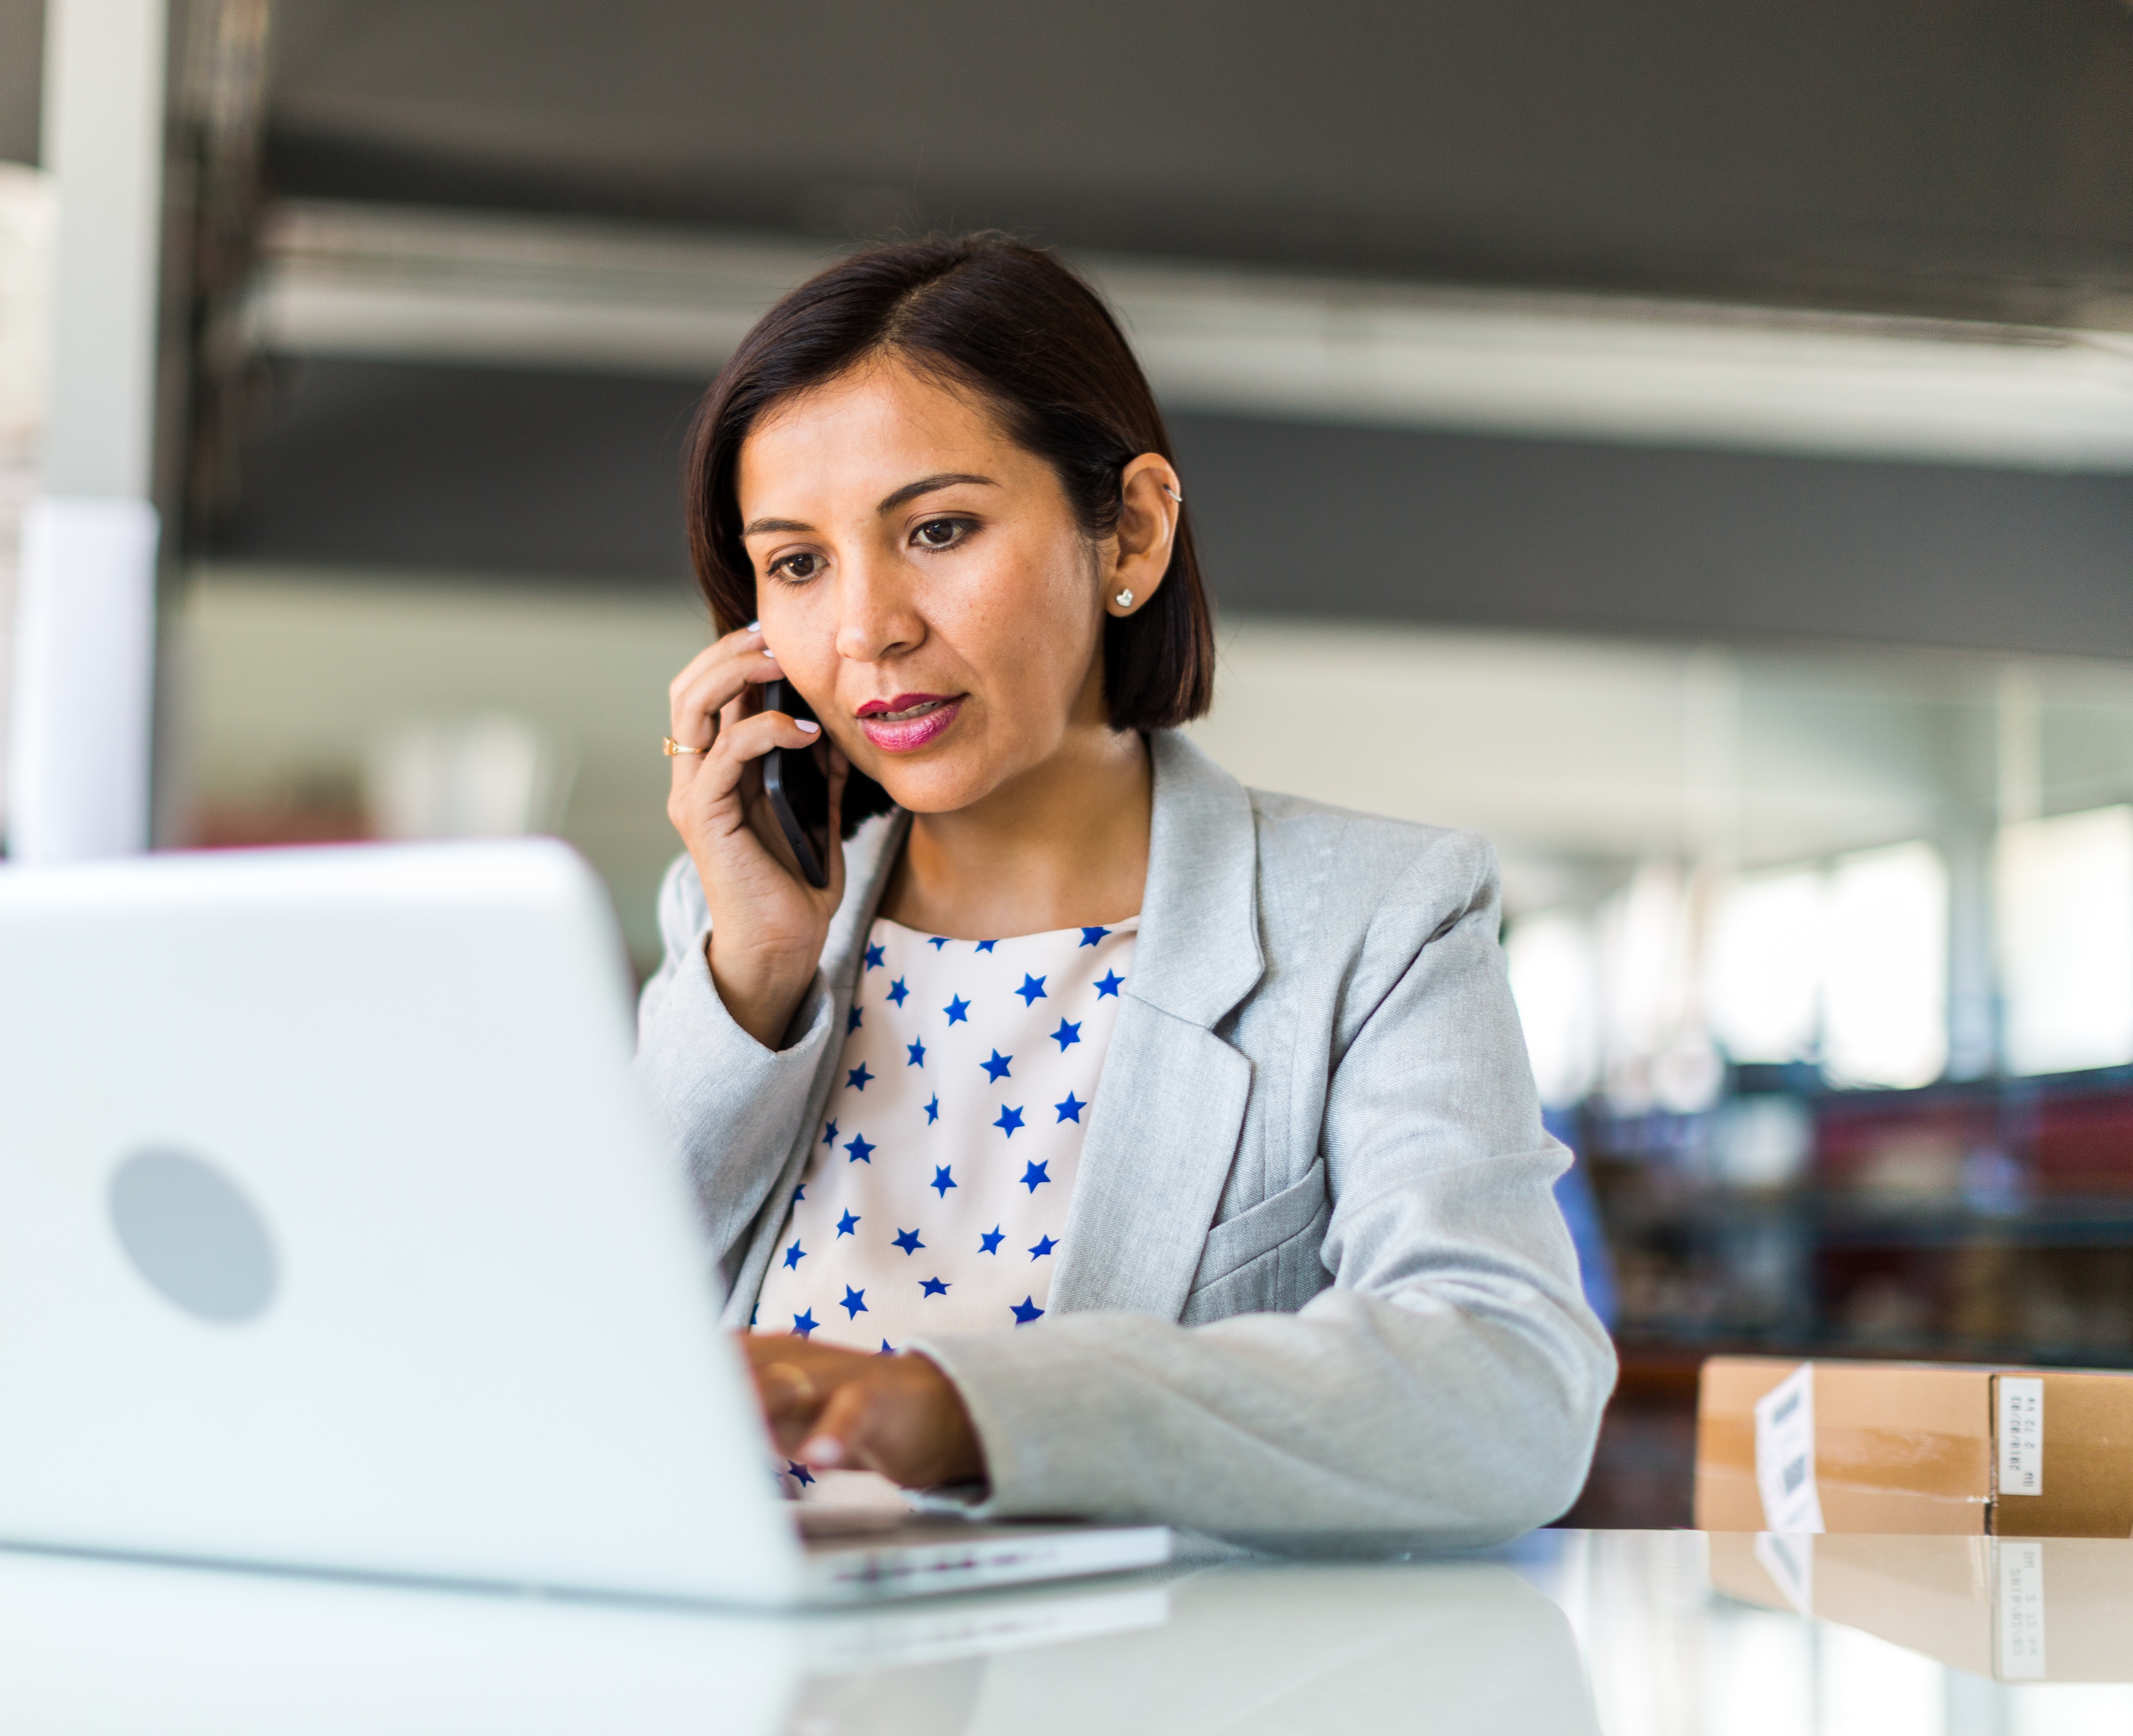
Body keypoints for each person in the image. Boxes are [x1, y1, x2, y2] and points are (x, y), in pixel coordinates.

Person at [638, 234, 1615, 1551]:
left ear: (1133, 531)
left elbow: (1509, 1392)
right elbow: (580, 1355)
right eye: (798, 563)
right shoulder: (732, 932)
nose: (866, 627)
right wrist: (749, 982)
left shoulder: (1379, 920)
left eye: (937, 529)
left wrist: (959, 1408)